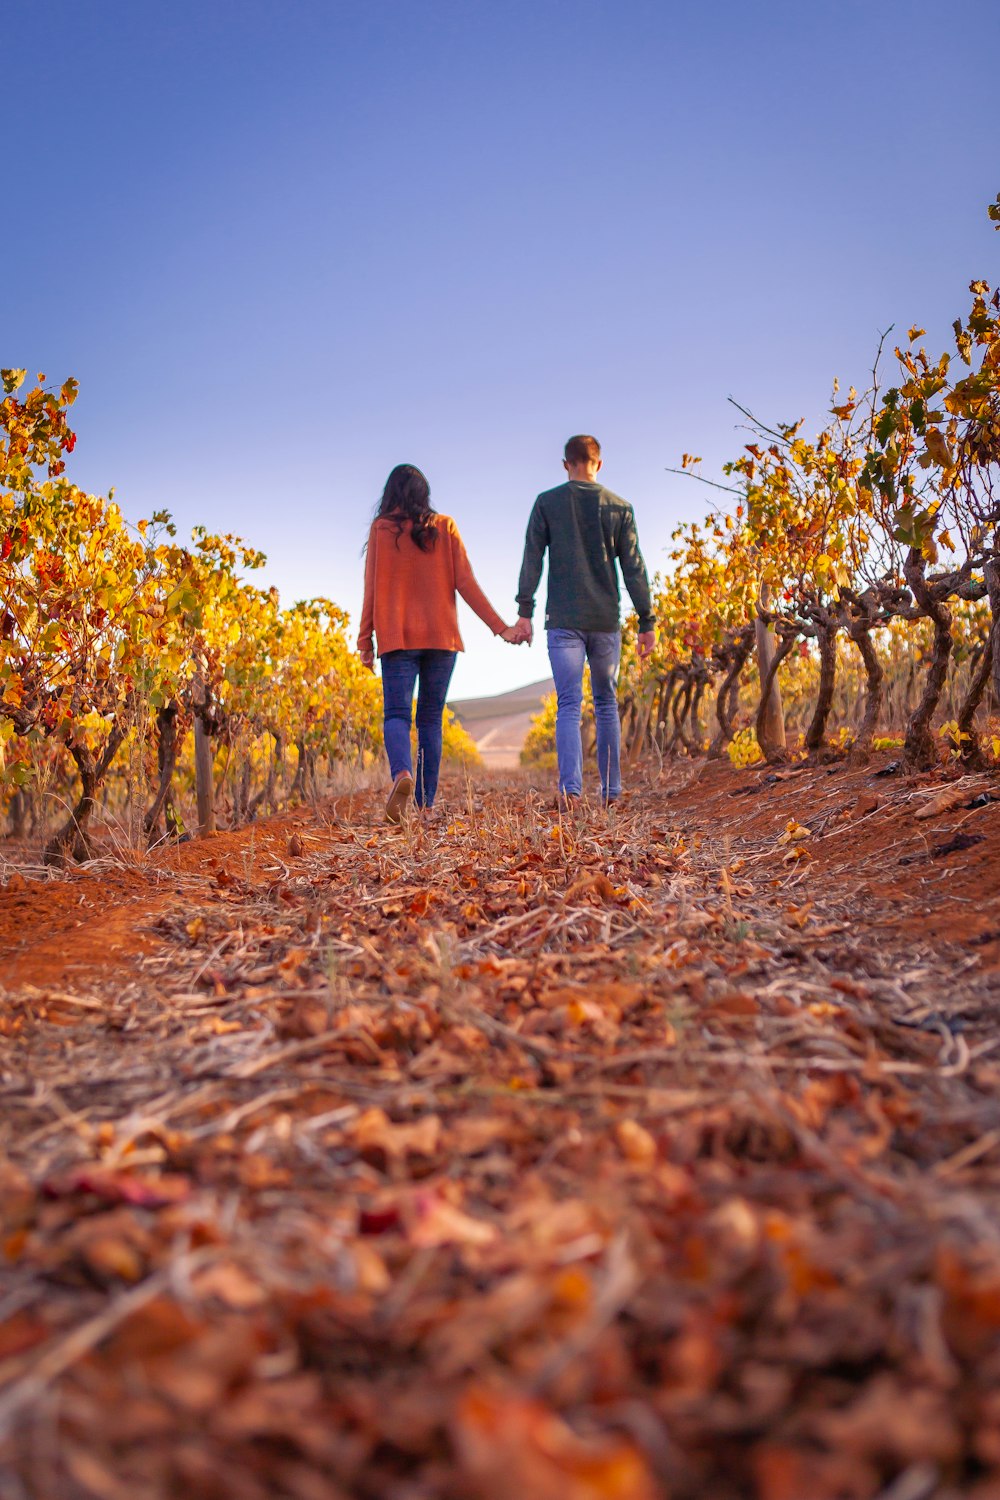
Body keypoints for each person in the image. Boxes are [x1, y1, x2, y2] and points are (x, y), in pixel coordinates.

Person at [358, 464, 518, 823]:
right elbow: (467, 583)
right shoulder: (444, 526)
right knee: (430, 719)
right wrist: (501, 628)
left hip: (397, 639)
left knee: (397, 715)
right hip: (441, 639)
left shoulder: (382, 530)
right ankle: (425, 804)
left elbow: (370, 589)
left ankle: (401, 773)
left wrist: (364, 640)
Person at [510, 435, 656, 805]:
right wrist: (646, 621)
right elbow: (634, 568)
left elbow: (532, 559)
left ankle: (570, 792)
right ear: (599, 464)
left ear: (565, 464)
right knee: (606, 703)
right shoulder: (620, 508)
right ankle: (611, 792)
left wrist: (524, 612)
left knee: (569, 705)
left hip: (563, 620)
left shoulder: (547, 503)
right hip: (606, 619)